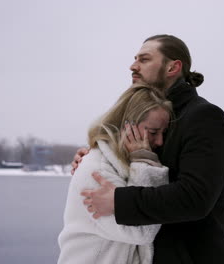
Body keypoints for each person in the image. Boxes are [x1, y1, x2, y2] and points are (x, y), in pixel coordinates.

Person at [76, 34, 224, 263]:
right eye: (135, 59)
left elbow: (195, 197)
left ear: (173, 67)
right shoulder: (148, 117)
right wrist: (96, 158)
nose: (133, 66)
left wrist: (119, 202)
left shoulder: (205, 117)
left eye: (144, 59)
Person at [57, 84, 172, 264]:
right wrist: (145, 162)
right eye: (153, 132)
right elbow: (141, 232)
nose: (160, 141)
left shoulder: (117, 165)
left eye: (163, 133)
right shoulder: (98, 172)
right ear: (127, 125)